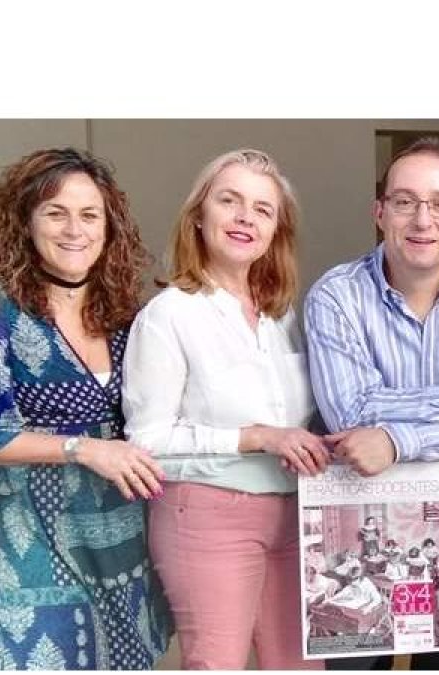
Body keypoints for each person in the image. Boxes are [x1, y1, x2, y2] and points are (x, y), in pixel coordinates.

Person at [0, 147, 172, 669]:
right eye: (55, 213)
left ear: (109, 226)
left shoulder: (124, 313)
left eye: (89, 215)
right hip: (34, 532)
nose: (74, 230)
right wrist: (83, 449)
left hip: (124, 530)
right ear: (26, 221)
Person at [305, 135, 439, 671]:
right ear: (379, 212)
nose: (423, 220)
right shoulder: (335, 296)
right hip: (355, 524)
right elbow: (350, 414)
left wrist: (396, 440)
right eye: (405, 201)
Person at [122, 149, 328, 670]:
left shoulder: (282, 315)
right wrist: (254, 437)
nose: (245, 218)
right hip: (207, 515)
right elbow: (146, 443)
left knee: (302, 666)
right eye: (229, 201)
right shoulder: (169, 315)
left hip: (293, 515)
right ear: (198, 215)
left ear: (276, 230)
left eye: (262, 209)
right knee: (218, 663)